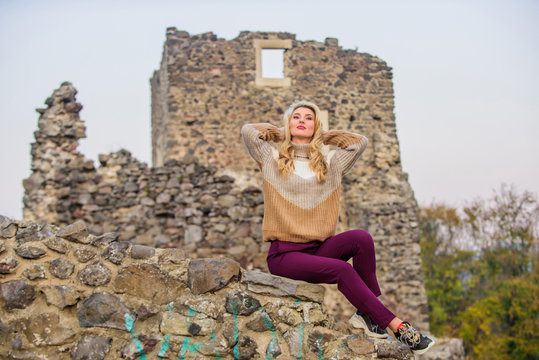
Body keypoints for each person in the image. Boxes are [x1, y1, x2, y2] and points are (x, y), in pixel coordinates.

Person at [240, 100, 435, 355]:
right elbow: (249, 131)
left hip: (318, 250)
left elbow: (359, 142)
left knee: (361, 238)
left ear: (316, 125)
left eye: (309, 118)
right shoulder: (272, 160)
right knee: (343, 270)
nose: (301, 120)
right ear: (288, 124)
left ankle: (368, 315)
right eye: (295, 117)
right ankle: (397, 326)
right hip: (284, 256)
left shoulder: (330, 164)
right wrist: (280, 133)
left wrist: (323, 137)